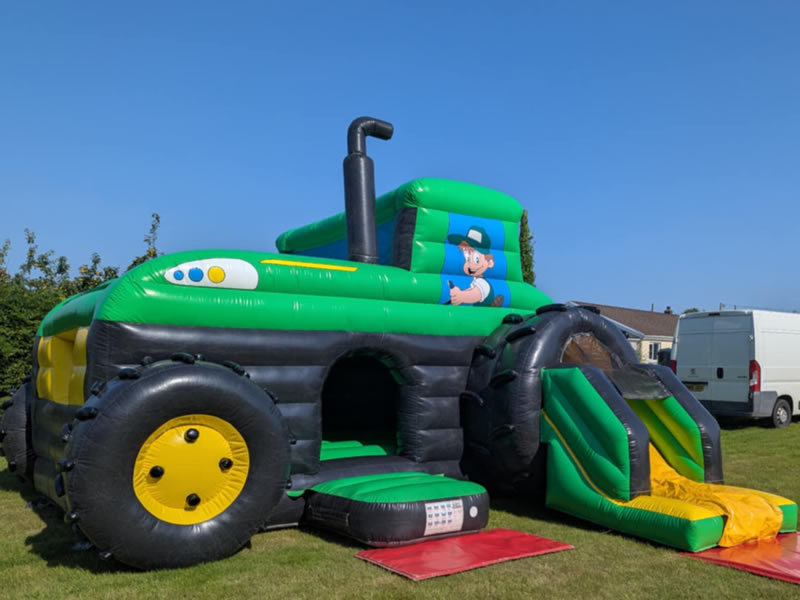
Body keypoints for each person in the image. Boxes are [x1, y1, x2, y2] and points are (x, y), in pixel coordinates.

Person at [447, 226, 503, 307]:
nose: (469, 265)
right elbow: (470, 290)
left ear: (489, 262)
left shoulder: (483, 284)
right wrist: (459, 294)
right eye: (467, 258)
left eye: (476, 259)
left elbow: (476, 294)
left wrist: (461, 296)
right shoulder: (476, 281)